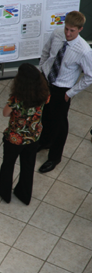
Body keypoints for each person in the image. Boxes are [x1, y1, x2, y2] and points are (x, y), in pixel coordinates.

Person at [38, 11, 92, 173]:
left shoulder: (84, 51)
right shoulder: (57, 34)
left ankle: (54, 157)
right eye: (66, 29)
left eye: (72, 31)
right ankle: (45, 142)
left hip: (62, 90)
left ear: (80, 29)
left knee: (60, 124)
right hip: (46, 82)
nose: (68, 33)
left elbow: (89, 76)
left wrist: (70, 93)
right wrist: (42, 69)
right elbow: (46, 52)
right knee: (45, 115)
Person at [0, 64, 50, 205]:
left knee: (8, 164)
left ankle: (5, 193)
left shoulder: (17, 99)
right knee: (28, 166)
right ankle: (24, 194)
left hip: (15, 138)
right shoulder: (45, 93)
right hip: (33, 136)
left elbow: (5, 113)